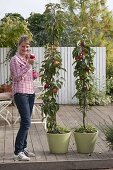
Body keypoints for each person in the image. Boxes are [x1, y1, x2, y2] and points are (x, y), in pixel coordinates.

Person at [10, 35, 36, 161]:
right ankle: (18, 151)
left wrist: (34, 74)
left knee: (26, 122)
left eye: (27, 46)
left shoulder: (27, 59)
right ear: (19, 46)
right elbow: (16, 77)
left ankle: (24, 148)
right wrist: (28, 66)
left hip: (30, 92)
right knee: (26, 122)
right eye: (23, 46)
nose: (25, 48)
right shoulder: (15, 60)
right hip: (20, 94)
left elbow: (27, 76)